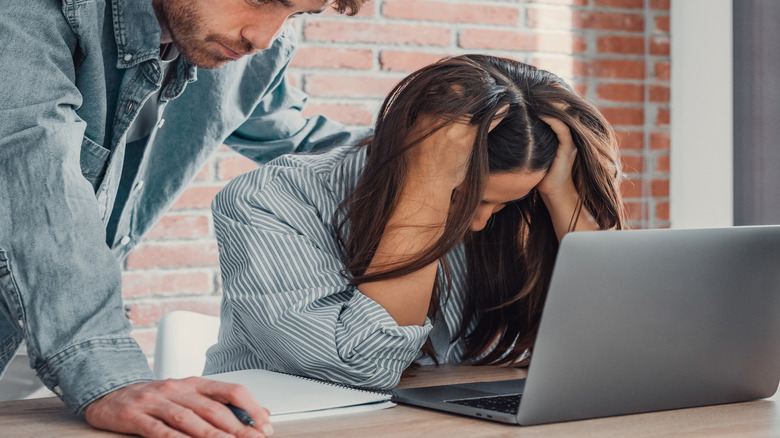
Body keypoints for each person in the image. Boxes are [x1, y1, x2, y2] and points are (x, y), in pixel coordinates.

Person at [0, 0, 369, 436]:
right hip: (70, 332)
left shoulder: (242, 51)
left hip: (49, 331)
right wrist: (112, 376)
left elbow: (303, 139)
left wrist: (431, 156)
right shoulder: (26, 12)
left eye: (297, 14)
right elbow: (34, 171)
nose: (264, 38)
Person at [204, 55, 627, 388]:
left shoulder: (519, 210)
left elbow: (618, 345)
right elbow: (361, 371)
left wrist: (565, 200)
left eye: (498, 206)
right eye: (465, 200)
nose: (479, 224)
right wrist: (427, 188)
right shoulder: (270, 201)